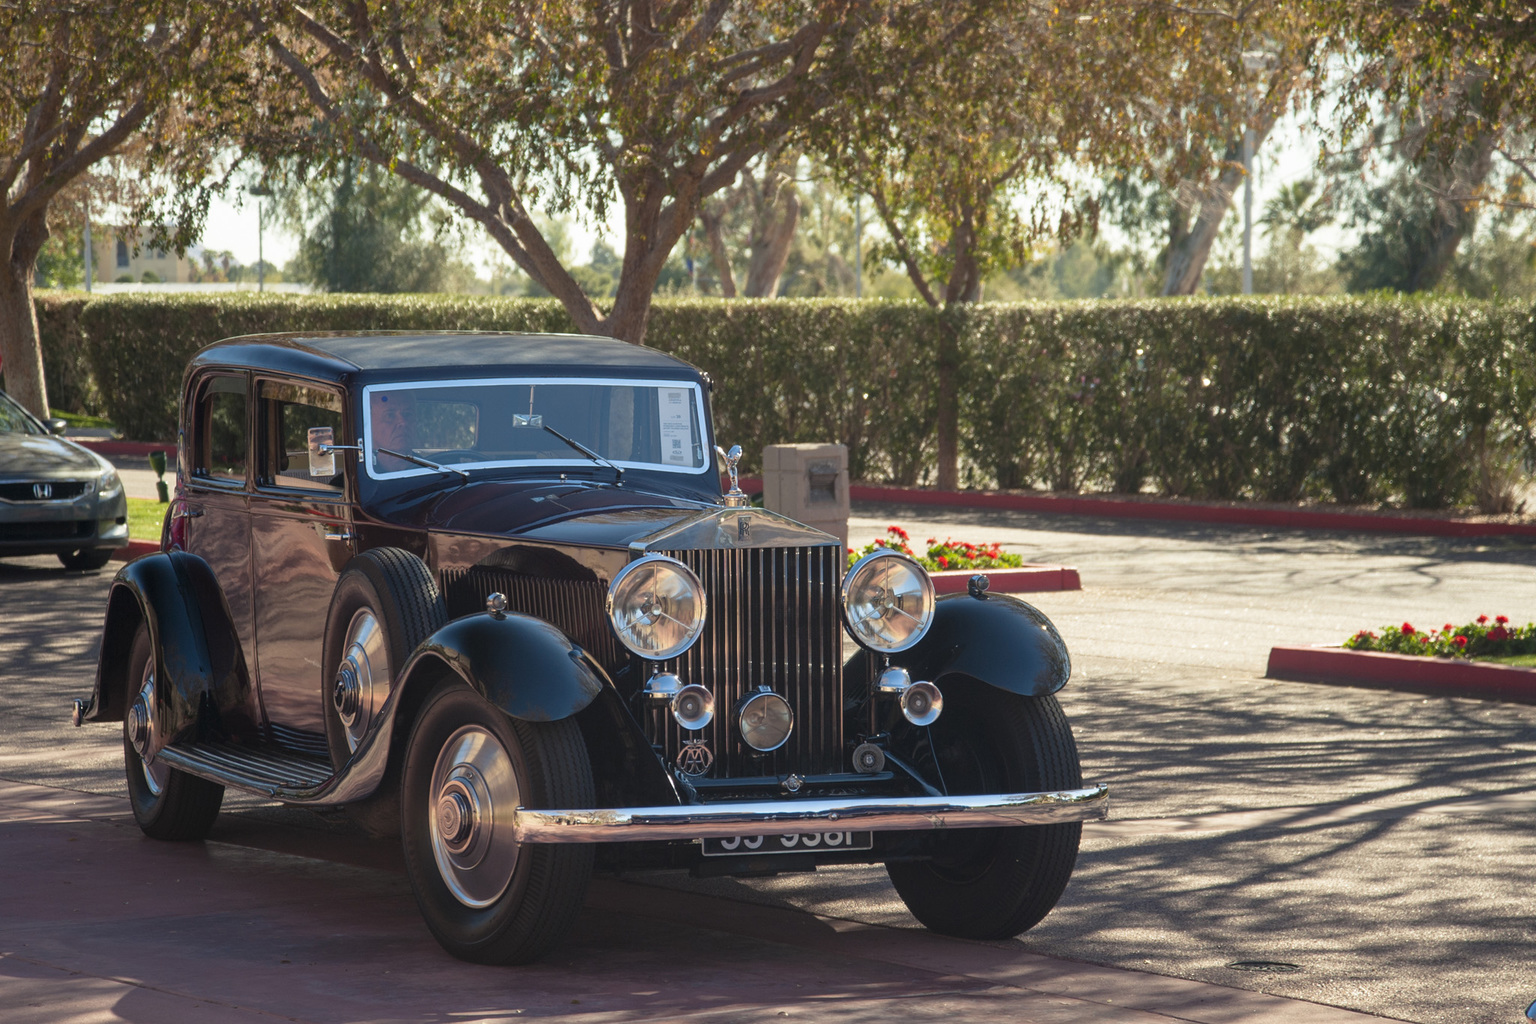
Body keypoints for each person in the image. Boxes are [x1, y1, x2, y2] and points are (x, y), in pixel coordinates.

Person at [370, 389, 416, 471]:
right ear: (369, 426)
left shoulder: (431, 469)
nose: (403, 422)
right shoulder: (355, 478)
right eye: (389, 416)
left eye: (407, 414)